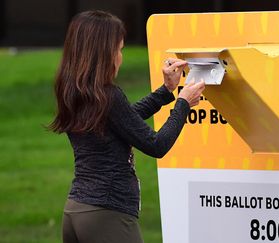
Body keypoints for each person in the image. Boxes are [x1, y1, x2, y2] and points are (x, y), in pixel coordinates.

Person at [49, 10, 205, 243]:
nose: (120, 57)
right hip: (107, 215)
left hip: (76, 211)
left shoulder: (75, 90)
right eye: (119, 50)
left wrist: (166, 91)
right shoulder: (108, 95)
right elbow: (156, 145)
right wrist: (183, 103)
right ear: (103, 53)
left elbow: (124, 121)